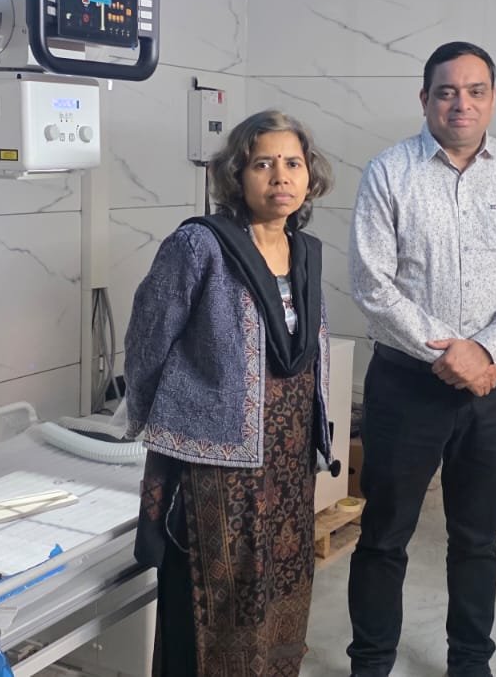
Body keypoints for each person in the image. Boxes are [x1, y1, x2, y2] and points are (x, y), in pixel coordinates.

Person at [346, 41, 496, 677]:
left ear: (492, 99)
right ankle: (371, 662)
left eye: (475, 91)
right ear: (425, 99)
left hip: (493, 385)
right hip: (406, 385)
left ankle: (470, 661)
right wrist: (451, 353)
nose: (460, 104)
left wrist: (483, 350)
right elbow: (372, 284)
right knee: (384, 533)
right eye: (446, 92)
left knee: (477, 538)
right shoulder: (389, 172)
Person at [124, 109, 338, 676]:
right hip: (218, 463)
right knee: (217, 603)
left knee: (281, 587)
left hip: (288, 462)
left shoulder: (306, 251)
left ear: (309, 174)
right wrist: (147, 421)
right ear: (236, 175)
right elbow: (148, 336)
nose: (281, 176)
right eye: (263, 164)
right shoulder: (200, 245)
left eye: (293, 163)